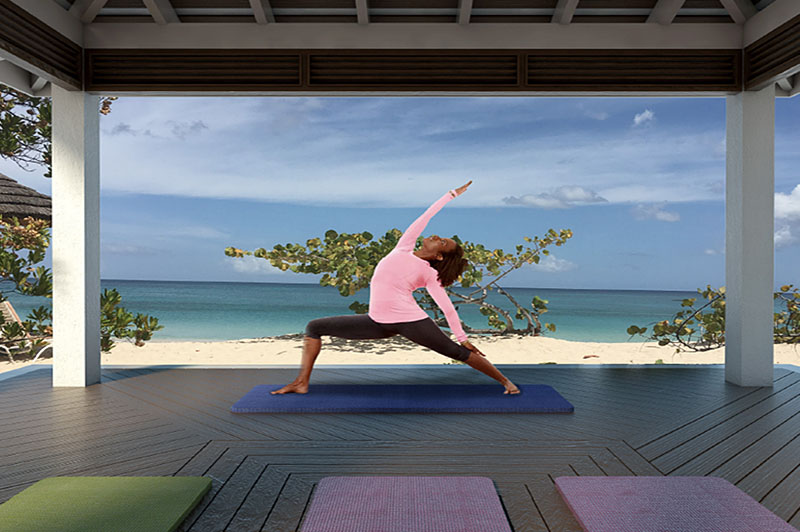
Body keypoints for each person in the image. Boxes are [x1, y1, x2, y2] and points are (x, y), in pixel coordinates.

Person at [271, 180, 521, 395]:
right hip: (377, 322)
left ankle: (506, 382)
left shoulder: (428, 274)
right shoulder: (402, 247)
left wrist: (463, 338)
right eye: (440, 236)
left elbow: (446, 307)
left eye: (442, 242)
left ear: (440, 257)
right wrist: (451, 194)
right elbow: (426, 216)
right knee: (315, 327)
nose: (436, 237)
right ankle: (301, 382)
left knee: (457, 352)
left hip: (411, 322)